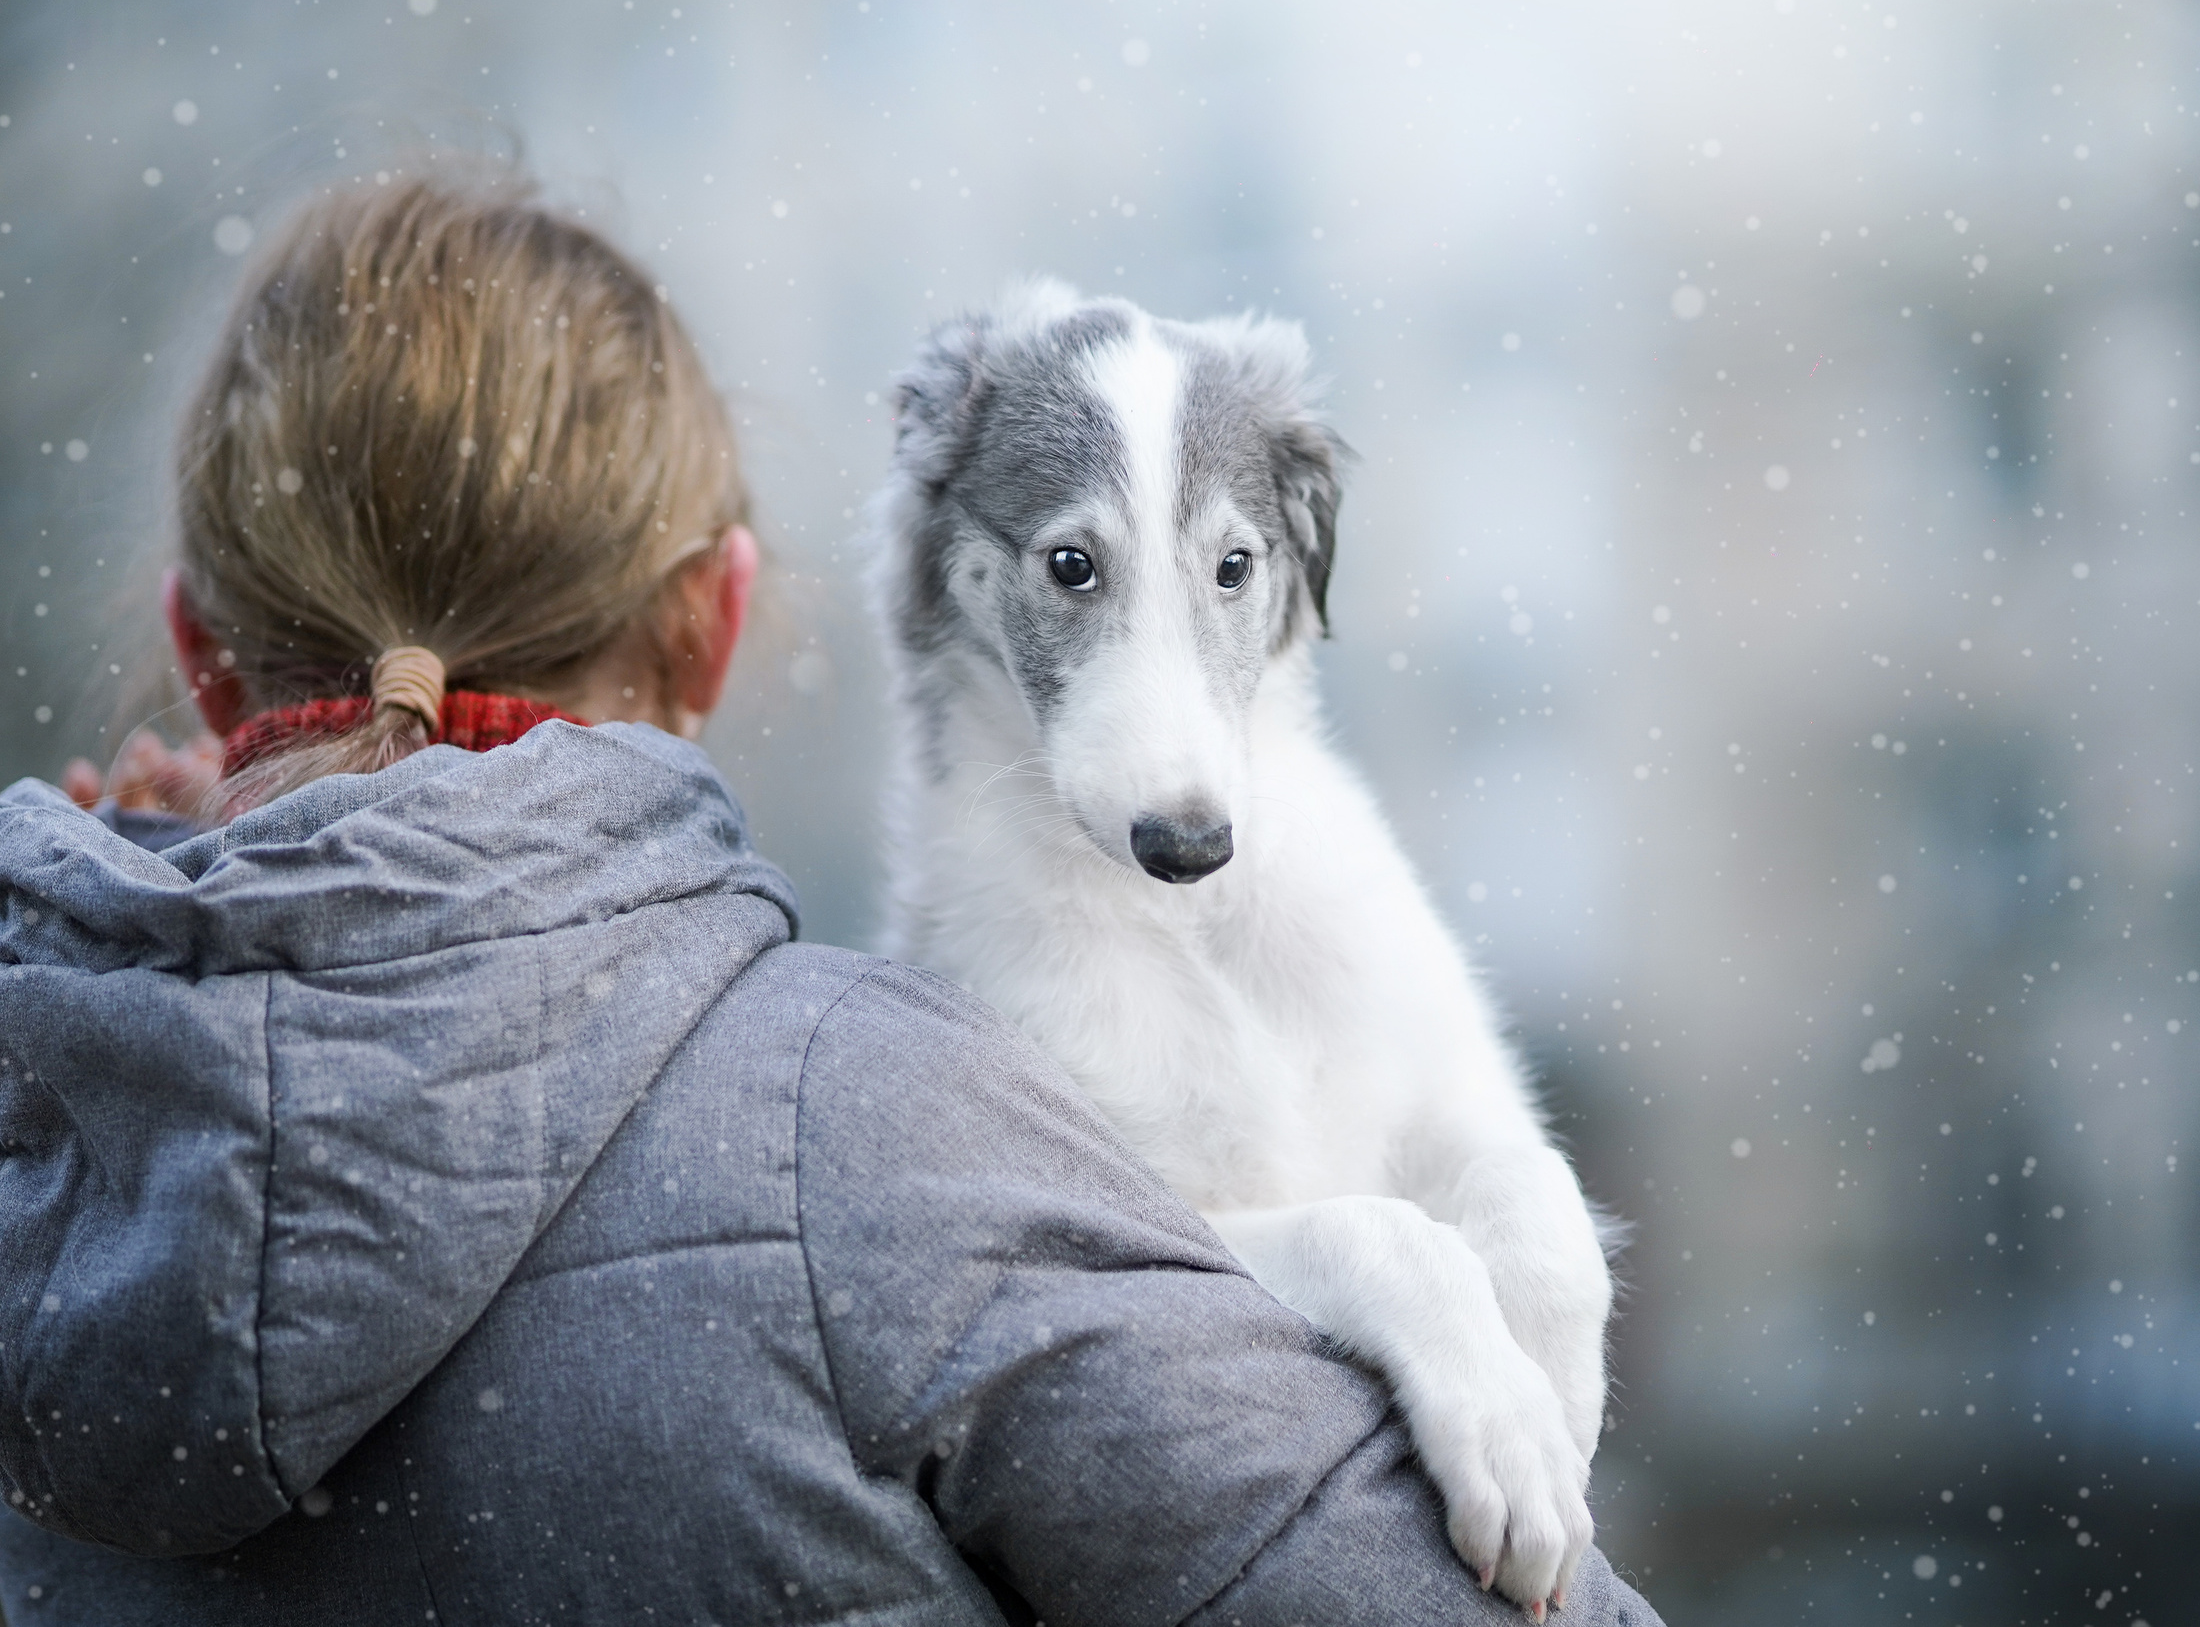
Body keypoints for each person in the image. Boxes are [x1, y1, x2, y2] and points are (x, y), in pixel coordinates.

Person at [0, 174, 1662, 1626]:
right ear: (714, 623)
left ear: (199, 646)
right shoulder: (894, 1137)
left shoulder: (42, 1146)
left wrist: (131, 960)